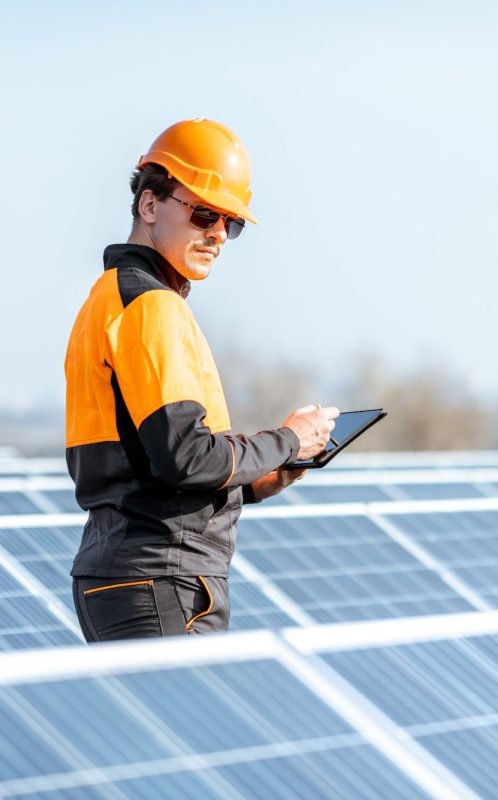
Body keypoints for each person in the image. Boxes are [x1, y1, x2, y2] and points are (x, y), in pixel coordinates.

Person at [65, 118, 338, 641]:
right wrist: (286, 441)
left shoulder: (109, 298)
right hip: (160, 578)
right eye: (204, 213)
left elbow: (156, 471)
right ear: (149, 205)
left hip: (129, 573)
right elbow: (187, 457)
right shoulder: (150, 306)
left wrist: (274, 469)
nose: (217, 234)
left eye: (229, 224)